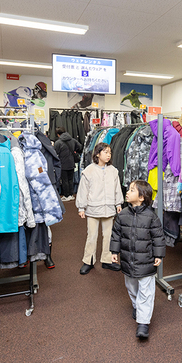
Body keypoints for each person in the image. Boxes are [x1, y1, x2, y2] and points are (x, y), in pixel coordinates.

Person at [110, 180, 165, 339]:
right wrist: (114, 251)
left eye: (132, 190)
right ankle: (136, 305)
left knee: (146, 292)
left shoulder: (151, 217)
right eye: (128, 189)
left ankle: (143, 322)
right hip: (128, 260)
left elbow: (158, 237)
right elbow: (116, 234)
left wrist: (158, 254)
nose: (127, 192)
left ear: (142, 197)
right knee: (131, 286)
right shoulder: (122, 215)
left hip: (146, 261)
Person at [76, 143, 123, 274]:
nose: (108, 155)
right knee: (92, 236)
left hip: (109, 208)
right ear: (97, 154)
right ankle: (88, 261)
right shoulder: (89, 171)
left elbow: (117, 189)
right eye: (105, 152)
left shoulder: (113, 171)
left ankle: (107, 260)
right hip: (93, 209)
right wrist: (81, 207)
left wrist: (118, 204)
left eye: (110, 153)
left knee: (108, 236)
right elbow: (83, 190)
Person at [54, 127, 82, 201]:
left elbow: (55, 153)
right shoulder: (73, 140)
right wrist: (75, 151)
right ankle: (71, 194)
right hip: (72, 163)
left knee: (64, 180)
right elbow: (80, 147)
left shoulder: (58, 143)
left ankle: (66, 195)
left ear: (58, 134)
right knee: (70, 180)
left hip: (63, 163)